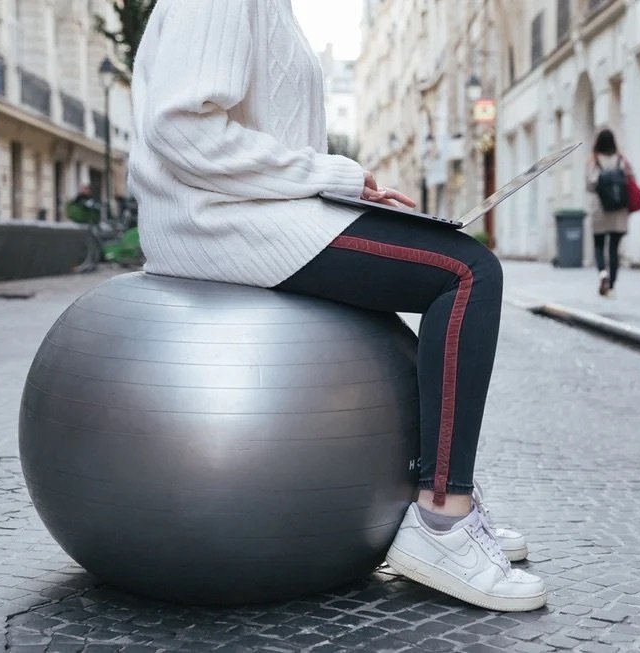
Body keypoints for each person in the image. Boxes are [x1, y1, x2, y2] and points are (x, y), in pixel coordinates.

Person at [130, 0, 546, 612]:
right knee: (466, 270)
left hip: (254, 212)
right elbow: (181, 126)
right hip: (217, 223)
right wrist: (325, 175)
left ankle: (437, 501)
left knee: (448, 260)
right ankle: (440, 519)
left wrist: (340, 187)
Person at [586, 128, 633, 297]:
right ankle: (612, 286)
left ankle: (602, 274)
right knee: (614, 249)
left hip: (600, 209)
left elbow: (589, 185)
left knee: (599, 245)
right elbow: (630, 179)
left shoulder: (594, 161)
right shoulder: (621, 160)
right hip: (618, 211)